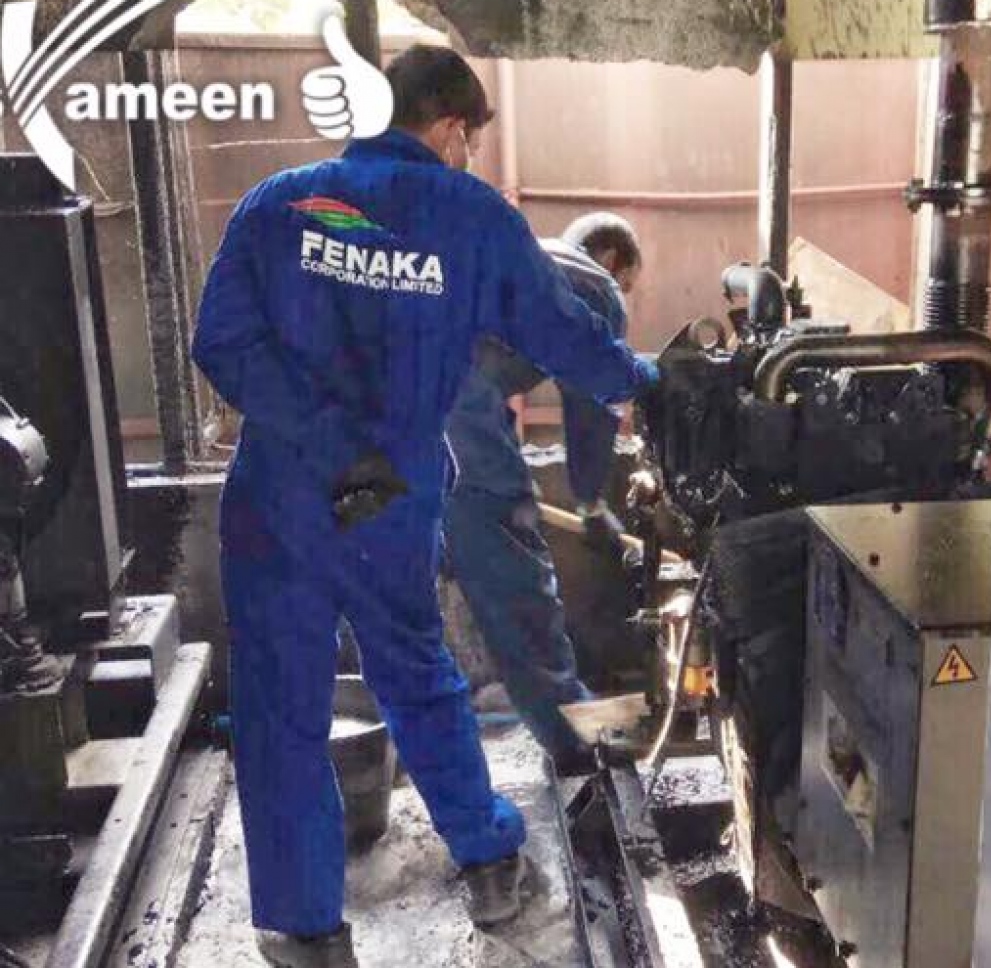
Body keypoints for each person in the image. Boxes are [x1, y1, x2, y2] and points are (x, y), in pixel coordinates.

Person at [191, 45, 656, 968]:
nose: (467, 156)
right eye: (468, 140)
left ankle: (307, 931)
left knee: (280, 704)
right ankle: (486, 858)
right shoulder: (470, 216)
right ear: (448, 130)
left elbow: (221, 342)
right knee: (413, 671)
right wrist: (650, 382)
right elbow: (563, 334)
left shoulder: (277, 202)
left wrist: (322, 439)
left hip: (276, 493)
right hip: (386, 497)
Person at [444, 213, 642, 775]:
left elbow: (488, 364)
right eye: (629, 283)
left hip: (396, 404)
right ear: (612, 261)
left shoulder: (525, 256)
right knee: (517, 575)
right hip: (453, 411)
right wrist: (591, 502)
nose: (624, 296)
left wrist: (504, 454)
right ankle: (575, 737)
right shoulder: (596, 287)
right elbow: (591, 401)